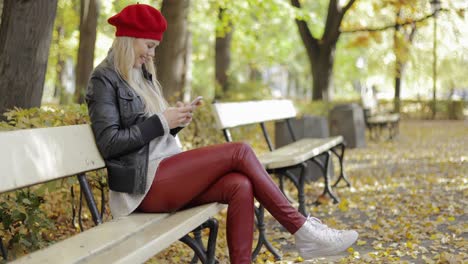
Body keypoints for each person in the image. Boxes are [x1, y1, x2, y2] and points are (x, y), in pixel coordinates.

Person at [86, 4, 358, 263]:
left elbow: (153, 132)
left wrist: (175, 121)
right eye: (149, 46)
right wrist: (161, 122)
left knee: (240, 185)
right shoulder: (105, 79)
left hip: (163, 173)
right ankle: (302, 229)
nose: (152, 55)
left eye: (155, 47)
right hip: (141, 187)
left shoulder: (140, 75)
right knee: (239, 151)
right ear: (129, 38)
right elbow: (111, 143)